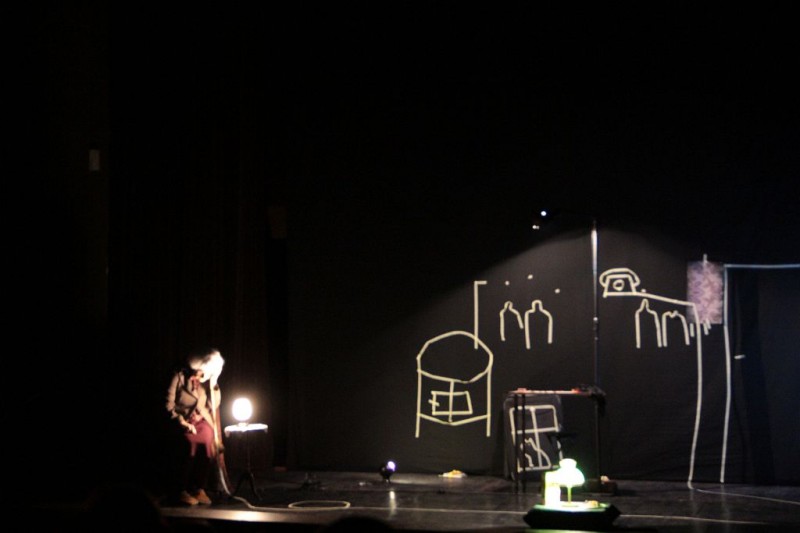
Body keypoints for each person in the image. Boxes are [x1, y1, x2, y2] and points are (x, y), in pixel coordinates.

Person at [165, 347, 225, 506]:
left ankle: (199, 487)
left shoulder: (204, 380)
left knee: (208, 437)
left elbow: (212, 404)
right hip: (181, 420)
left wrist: (215, 384)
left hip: (199, 419)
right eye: (200, 372)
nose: (202, 376)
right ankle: (181, 489)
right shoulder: (178, 377)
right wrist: (182, 422)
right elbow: (168, 406)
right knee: (190, 442)